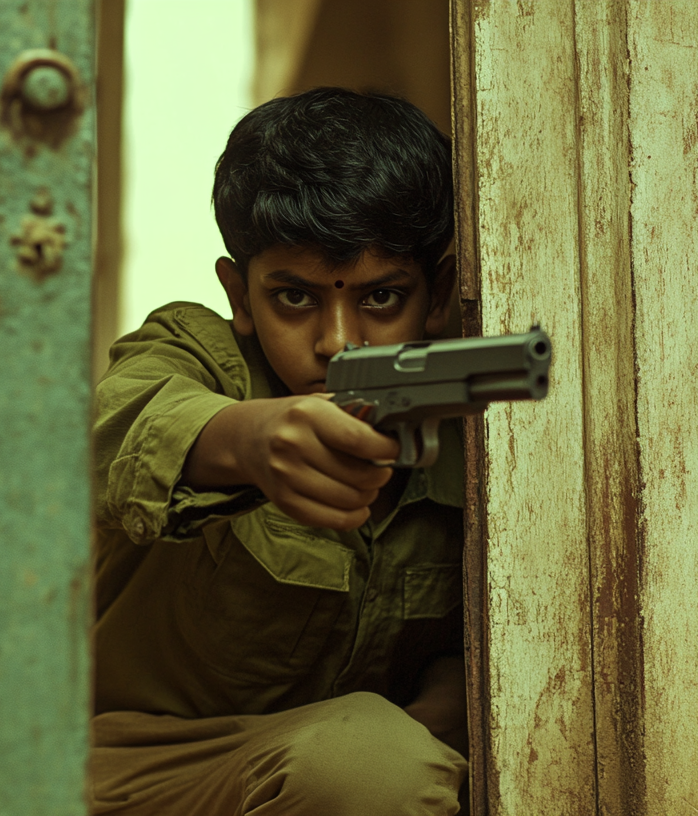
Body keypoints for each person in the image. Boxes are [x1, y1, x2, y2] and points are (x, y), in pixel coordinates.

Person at [90, 88, 469, 816]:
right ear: (239, 293)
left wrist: (462, 681)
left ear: (439, 292)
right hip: (133, 777)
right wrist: (248, 441)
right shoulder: (198, 355)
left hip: (340, 774)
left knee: (377, 760)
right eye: (294, 299)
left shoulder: (467, 430)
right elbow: (115, 426)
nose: (336, 342)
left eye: (381, 299)